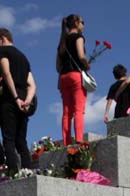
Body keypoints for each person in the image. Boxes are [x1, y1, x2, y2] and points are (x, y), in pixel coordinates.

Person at [0, 28, 36, 174]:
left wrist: (15, 97)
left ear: (2, 39)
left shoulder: (3, 51)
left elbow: (6, 73)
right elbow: (32, 84)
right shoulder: (24, 57)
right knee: (21, 139)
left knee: (8, 139)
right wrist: (27, 100)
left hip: (10, 100)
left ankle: (13, 172)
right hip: (24, 100)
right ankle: (28, 170)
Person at [57, 14, 89, 145]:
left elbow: (57, 66)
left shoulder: (62, 43)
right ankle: (79, 139)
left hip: (63, 77)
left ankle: (67, 142)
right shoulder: (79, 37)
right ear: (76, 23)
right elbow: (81, 56)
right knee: (78, 109)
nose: (83, 25)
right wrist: (87, 65)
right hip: (76, 75)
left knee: (66, 111)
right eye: (82, 22)